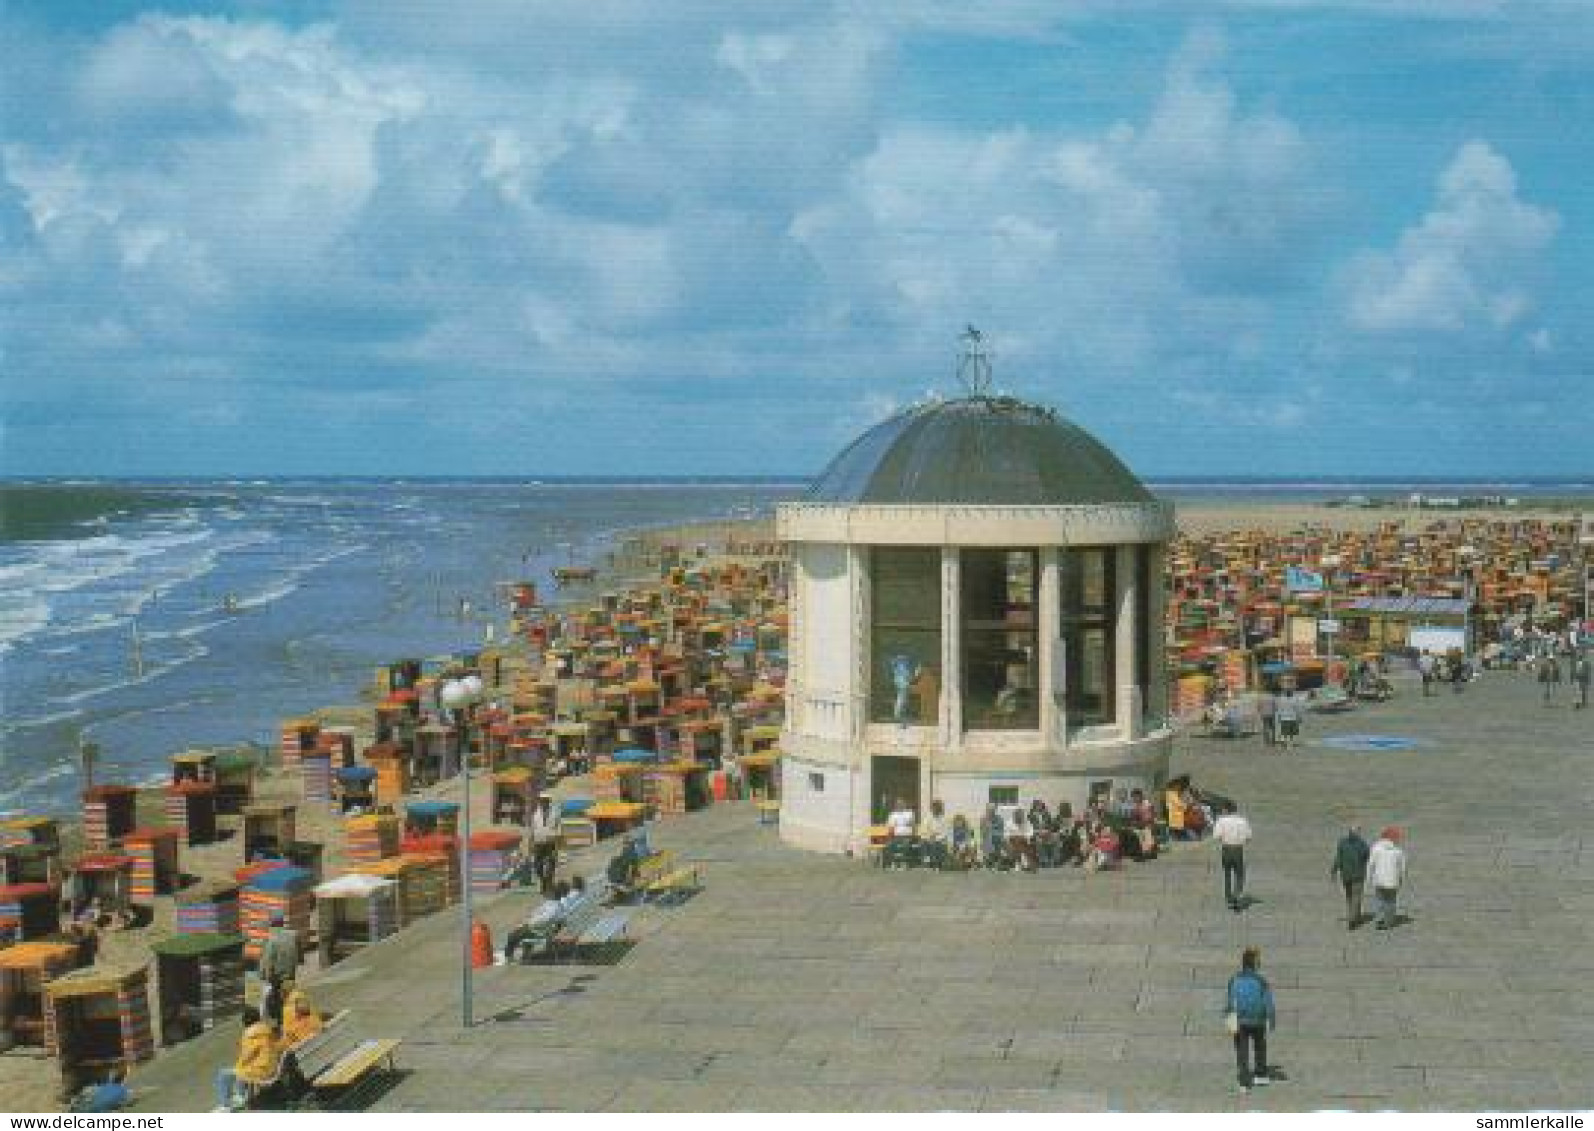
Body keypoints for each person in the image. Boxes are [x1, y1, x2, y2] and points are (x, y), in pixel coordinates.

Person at [1224, 947, 1277, 1093]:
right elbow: (1268, 1002)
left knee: (1242, 1049)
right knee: (1260, 1046)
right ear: (1255, 964)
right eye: (1258, 961)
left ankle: (1243, 1079)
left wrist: (1229, 1020)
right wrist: (1271, 1019)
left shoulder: (1233, 980)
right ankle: (1260, 1074)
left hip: (1240, 1021)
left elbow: (1229, 1002)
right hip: (1258, 1020)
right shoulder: (1261, 981)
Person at [214, 1007, 280, 1111]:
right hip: (271, 1068)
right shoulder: (267, 1031)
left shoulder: (251, 1034)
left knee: (223, 1074)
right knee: (239, 1071)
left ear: (245, 1021)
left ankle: (225, 1105)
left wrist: (238, 1065)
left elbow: (246, 1057)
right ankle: (239, 1095)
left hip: (261, 1071)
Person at [503, 882, 568, 963]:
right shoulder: (556, 905)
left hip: (539, 931)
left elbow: (544, 919)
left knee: (512, 936)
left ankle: (508, 957)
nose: (546, 895)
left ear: (553, 895)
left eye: (548, 893)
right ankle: (526, 955)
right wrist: (529, 919)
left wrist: (528, 923)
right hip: (542, 929)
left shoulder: (553, 907)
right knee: (520, 930)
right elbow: (539, 913)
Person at [1329, 824, 1371, 930]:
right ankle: (1353, 919)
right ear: (1358, 833)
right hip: (1358, 875)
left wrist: (1334, 871)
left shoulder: (1342, 843)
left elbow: (1338, 858)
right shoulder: (1362, 844)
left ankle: (1353, 916)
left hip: (1346, 875)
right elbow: (1367, 858)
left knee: (1349, 896)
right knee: (1356, 897)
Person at [1213, 803, 1253, 912]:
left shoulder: (1221, 821)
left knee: (1227, 874)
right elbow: (1249, 837)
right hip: (1238, 849)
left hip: (1226, 849)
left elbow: (1216, 836)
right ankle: (1237, 894)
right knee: (1239, 873)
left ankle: (1228, 897)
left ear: (1226, 810)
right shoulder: (1242, 821)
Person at [1366, 826, 1407, 930]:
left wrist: (1369, 879)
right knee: (1391, 901)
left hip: (1379, 881)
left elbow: (1371, 864)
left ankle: (1380, 920)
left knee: (1380, 900)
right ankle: (1389, 922)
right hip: (1393, 881)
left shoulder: (1376, 848)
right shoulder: (1398, 851)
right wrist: (1401, 879)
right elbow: (1402, 868)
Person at [528, 796, 562, 894]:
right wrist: (530, 844)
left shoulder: (555, 814)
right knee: (537, 867)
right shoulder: (535, 814)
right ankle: (543, 881)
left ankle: (549, 885)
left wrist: (557, 847)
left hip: (551, 842)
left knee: (551, 865)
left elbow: (559, 831)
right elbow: (532, 830)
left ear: (548, 803)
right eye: (541, 802)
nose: (543, 804)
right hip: (538, 843)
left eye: (545, 802)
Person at [920, 800, 949, 869]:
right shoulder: (927, 817)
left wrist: (936, 838)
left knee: (937, 844)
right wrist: (929, 836)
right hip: (928, 836)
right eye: (934, 807)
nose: (935, 809)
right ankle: (926, 863)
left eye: (937, 807)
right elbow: (924, 829)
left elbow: (945, 832)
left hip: (939, 838)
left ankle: (936, 863)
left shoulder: (943, 818)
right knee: (924, 842)